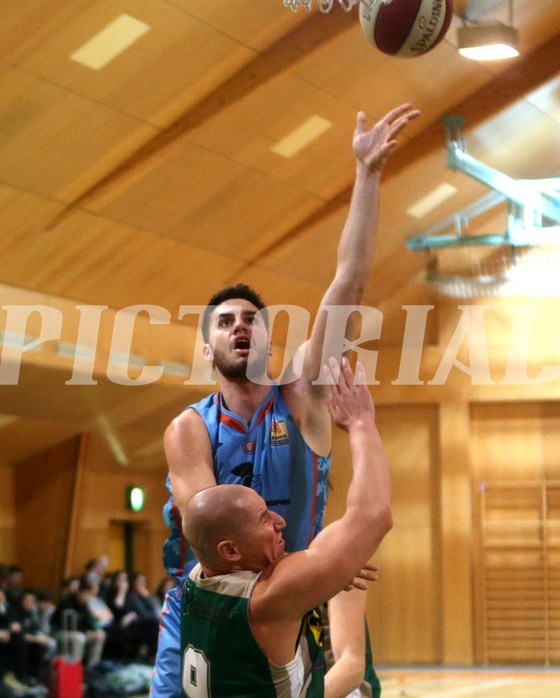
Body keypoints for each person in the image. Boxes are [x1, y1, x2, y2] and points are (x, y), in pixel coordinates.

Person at [153, 103, 419, 698]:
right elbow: (208, 534)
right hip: (207, 611)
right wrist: (323, 557)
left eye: (252, 319)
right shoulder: (189, 429)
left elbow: (347, 282)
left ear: (272, 340)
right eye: (224, 323)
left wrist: (366, 175)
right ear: (206, 350)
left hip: (290, 602)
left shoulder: (301, 396)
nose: (240, 327)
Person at [180, 358, 392, 697]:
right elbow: (375, 514)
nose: (280, 521)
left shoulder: (195, 586)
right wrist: (361, 422)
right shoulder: (270, 597)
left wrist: (319, 569)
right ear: (231, 550)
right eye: (264, 518)